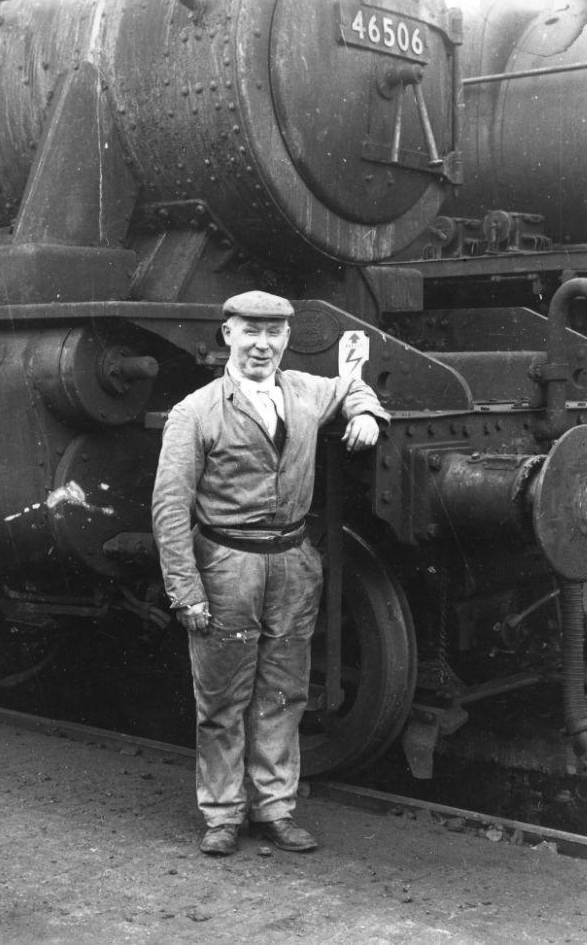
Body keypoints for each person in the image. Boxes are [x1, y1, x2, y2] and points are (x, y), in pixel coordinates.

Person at [152, 290, 390, 856]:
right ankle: (223, 815)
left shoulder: (305, 390)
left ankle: (276, 809)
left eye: (274, 333)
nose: (262, 344)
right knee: (223, 699)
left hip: (291, 563)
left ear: (287, 338)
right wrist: (185, 589)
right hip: (226, 565)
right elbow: (169, 507)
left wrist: (365, 414)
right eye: (250, 331)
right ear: (227, 334)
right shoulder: (196, 411)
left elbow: (351, 386)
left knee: (283, 693)